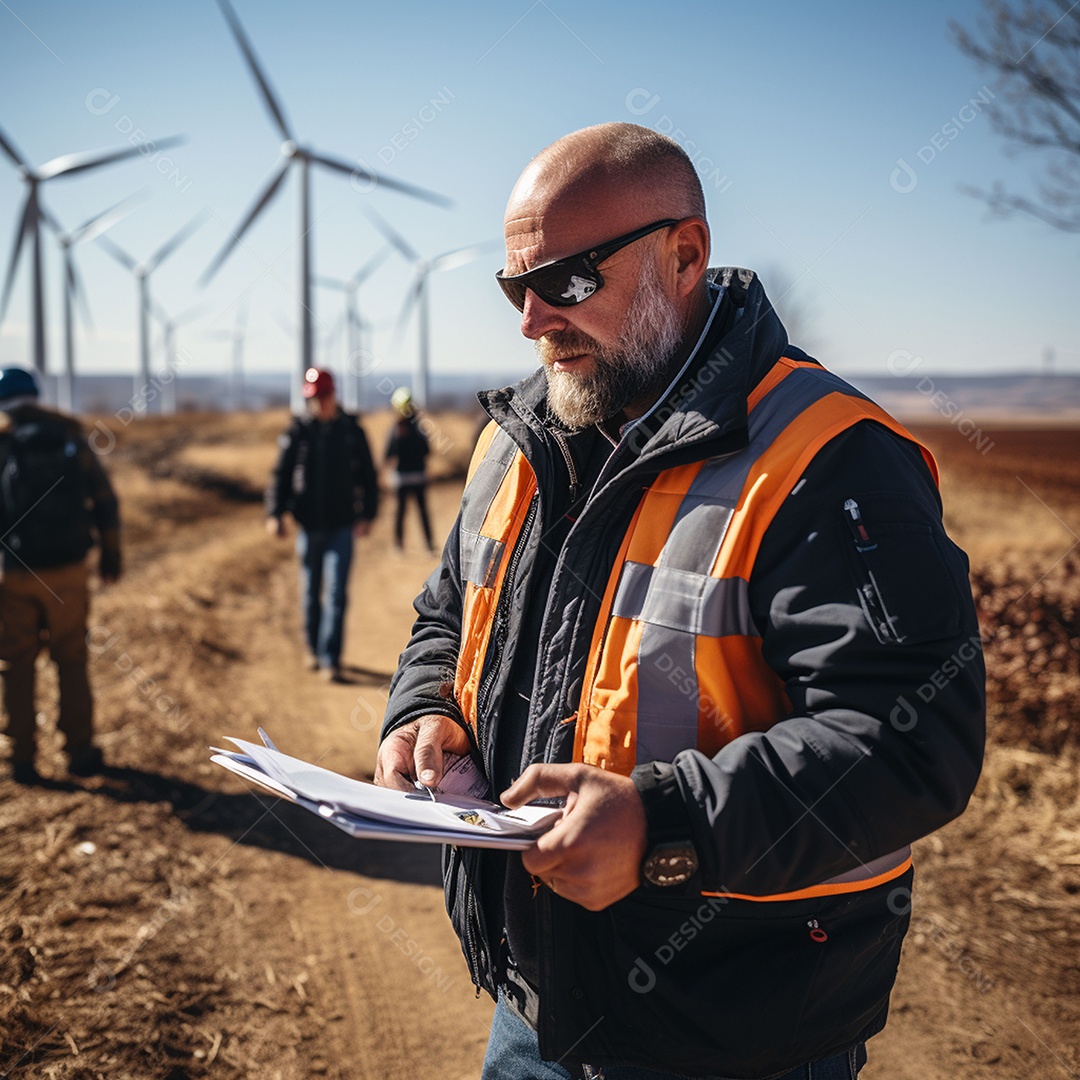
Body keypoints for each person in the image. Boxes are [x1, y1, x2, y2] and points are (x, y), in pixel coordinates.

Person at [375, 123, 985, 1079]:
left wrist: (665, 829)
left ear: (686, 255)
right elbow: (445, 615)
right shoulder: (515, 443)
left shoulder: (829, 459)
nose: (532, 319)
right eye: (514, 288)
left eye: (568, 281)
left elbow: (915, 737)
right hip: (537, 1006)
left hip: (736, 1031)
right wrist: (425, 708)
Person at [0, 367, 121, 783]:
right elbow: (104, 498)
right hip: (68, 571)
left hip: (14, 572)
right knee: (71, 659)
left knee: (16, 664)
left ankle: (21, 758)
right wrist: (111, 555)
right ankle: (80, 751)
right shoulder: (70, 436)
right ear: (36, 394)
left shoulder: (4, 440)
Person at [266, 367, 379, 682]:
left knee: (335, 593)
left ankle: (331, 659)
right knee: (309, 591)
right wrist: (275, 513)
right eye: (313, 399)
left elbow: (369, 476)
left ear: (333, 395)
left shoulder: (352, 431)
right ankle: (314, 649)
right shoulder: (298, 432)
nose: (319, 404)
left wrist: (368, 514)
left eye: (323, 397)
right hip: (309, 526)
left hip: (342, 526)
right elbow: (280, 475)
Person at [384, 386, 435, 554]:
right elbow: (427, 451)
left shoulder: (397, 429)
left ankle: (402, 545)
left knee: (404, 511)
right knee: (414, 511)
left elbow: (388, 454)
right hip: (413, 476)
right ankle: (426, 545)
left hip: (407, 476)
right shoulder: (419, 427)